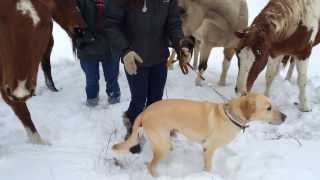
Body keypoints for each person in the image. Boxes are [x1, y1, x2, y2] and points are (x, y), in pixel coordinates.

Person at [105, 0, 192, 153]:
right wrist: (125, 51)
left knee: (156, 101)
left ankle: (153, 129)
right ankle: (132, 131)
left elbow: (173, 23)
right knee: (139, 100)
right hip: (134, 57)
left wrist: (181, 45)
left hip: (159, 57)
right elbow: (111, 24)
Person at [76, 0, 121, 107]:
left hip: (110, 44)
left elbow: (122, 18)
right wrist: (85, 37)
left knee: (112, 76)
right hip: (87, 44)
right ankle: (92, 100)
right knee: (91, 78)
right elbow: (72, 20)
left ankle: (114, 99)